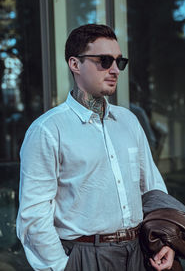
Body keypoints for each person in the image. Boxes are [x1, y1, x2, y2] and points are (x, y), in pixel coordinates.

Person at [16, 24, 175, 271]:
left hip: (140, 254)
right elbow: (34, 215)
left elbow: (152, 187)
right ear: (75, 64)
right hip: (85, 256)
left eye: (119, 62)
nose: (114, 70)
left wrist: (165, 239)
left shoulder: (129, 121)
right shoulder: (48, 130)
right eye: (104, 60)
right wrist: (61, 266)